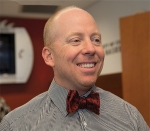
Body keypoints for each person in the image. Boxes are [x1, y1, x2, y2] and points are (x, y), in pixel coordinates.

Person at [0, 6, 149, 131]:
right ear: (49, 56)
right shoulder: (15, 125)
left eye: (96, 40)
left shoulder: (130, 116)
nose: (90, 48)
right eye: (76, 40)